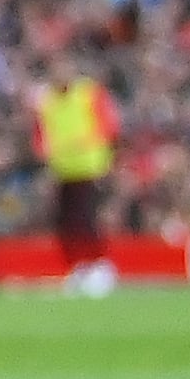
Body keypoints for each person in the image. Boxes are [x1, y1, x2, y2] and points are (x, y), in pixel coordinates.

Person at [36, 65, 119, 293]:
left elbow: (108, 126)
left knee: (87, 220)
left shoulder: (88, 93)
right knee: (66, 222)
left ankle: (99, 266)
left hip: (89, 167)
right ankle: (79, 267)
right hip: (63, 170)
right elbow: (42, 135)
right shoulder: (47, 100)